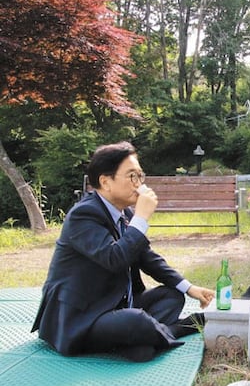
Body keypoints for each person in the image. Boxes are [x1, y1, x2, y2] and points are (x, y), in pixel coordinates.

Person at [31, 141, 215, 362]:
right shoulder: (83, 215)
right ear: (105, 182)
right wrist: (141, 218)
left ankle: (141, 338)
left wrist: (189, 288)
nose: (139, 184)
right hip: (81, 316)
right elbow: (114, 259)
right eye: (131, 176)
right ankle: (174, 330)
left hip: (116, 304)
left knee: (172, 295)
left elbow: (147, 258)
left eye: (140, 176)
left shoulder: (124, 213)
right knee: (135, 321)